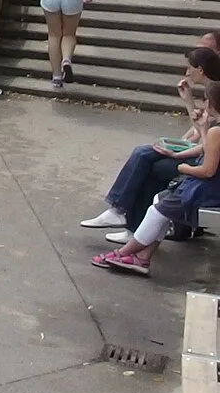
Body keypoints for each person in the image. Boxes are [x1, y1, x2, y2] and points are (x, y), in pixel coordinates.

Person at [83, 44, 220, 239]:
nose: (187, 71)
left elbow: (206, 139)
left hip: (206, 165)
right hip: (202, 156)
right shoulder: (212, 93)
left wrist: (179, 153)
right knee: (144, 154)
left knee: (151, 165)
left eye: (190, 67)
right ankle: (124, 216)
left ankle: (125, 216)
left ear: (200, 70)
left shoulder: (215, 95)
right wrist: (188, 104)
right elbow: (199, 129)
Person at [93, 102, 220, 276]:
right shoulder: (214, 131)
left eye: (207, 100)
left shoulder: (215, 131)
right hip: (204, 184)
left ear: (213, 105)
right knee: (160, 200)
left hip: (205, 188)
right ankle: (143, 256)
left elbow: (208, 169)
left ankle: (124, 253)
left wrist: (183, 168)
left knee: (158, 211)